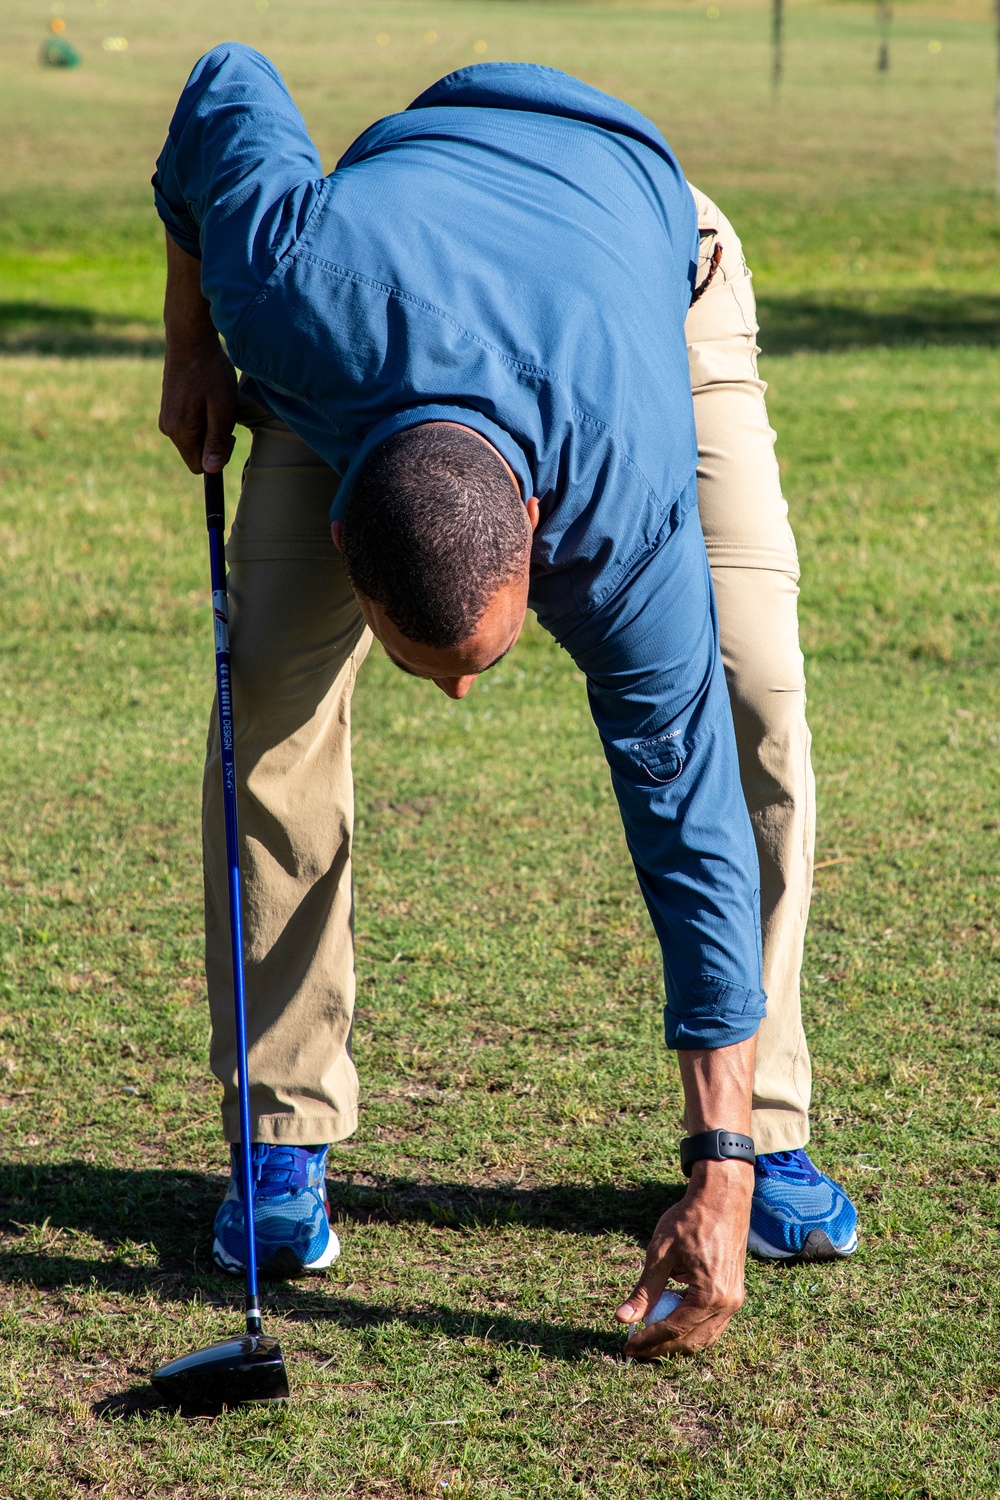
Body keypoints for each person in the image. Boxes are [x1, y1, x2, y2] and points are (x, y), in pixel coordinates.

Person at [153, 44, 858, 1358]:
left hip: (654, 286)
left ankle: (756, 1138)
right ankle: (281, 1141)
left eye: (478, 655)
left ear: (541, 534)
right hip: (380, 282)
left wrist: (715, 1158)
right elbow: (225, 88)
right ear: (343, 511)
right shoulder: (287, 284)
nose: (468, 692)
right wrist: (192, 340)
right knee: (269, 689)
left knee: (747, 689)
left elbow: (680, 809)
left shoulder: (619, 509)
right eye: (439, 668)